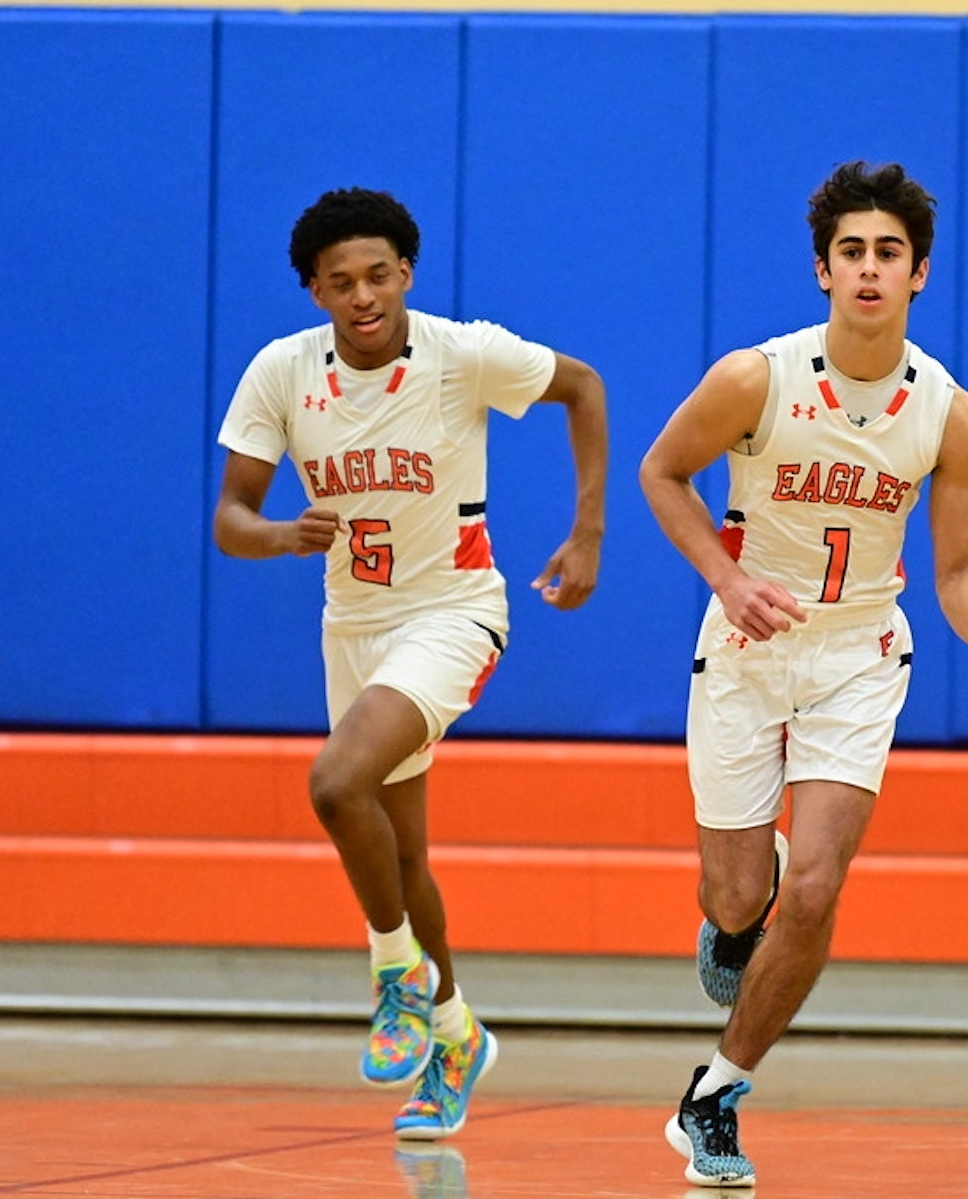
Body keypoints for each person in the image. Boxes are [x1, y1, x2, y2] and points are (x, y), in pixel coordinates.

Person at [639, 160, 968, 1188]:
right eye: (853, 252)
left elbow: (960, 571)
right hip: (749, 646)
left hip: (859, 652)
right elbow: (661, 473)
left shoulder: (948, 412)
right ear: (823, 270)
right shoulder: (756, 378)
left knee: (817, 883)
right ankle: (731, 915)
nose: (871, 270)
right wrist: (725, 573)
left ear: (919, 274)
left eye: (890, 252)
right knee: (741, 890)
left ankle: (715, 1094)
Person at [213, 187, 607, 1140]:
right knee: (403, 850)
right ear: (314, 290)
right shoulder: (280, 372)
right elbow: (230, 519)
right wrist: (278, 536)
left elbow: (584, 385)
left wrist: (587, 529)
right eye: (341, 281)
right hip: (353, 626)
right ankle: (455, 1030)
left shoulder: (460, 353)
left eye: (379, 275)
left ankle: (393, 972)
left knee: (333, 778)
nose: (363, 295)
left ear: (407, 275)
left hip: (455, 612)